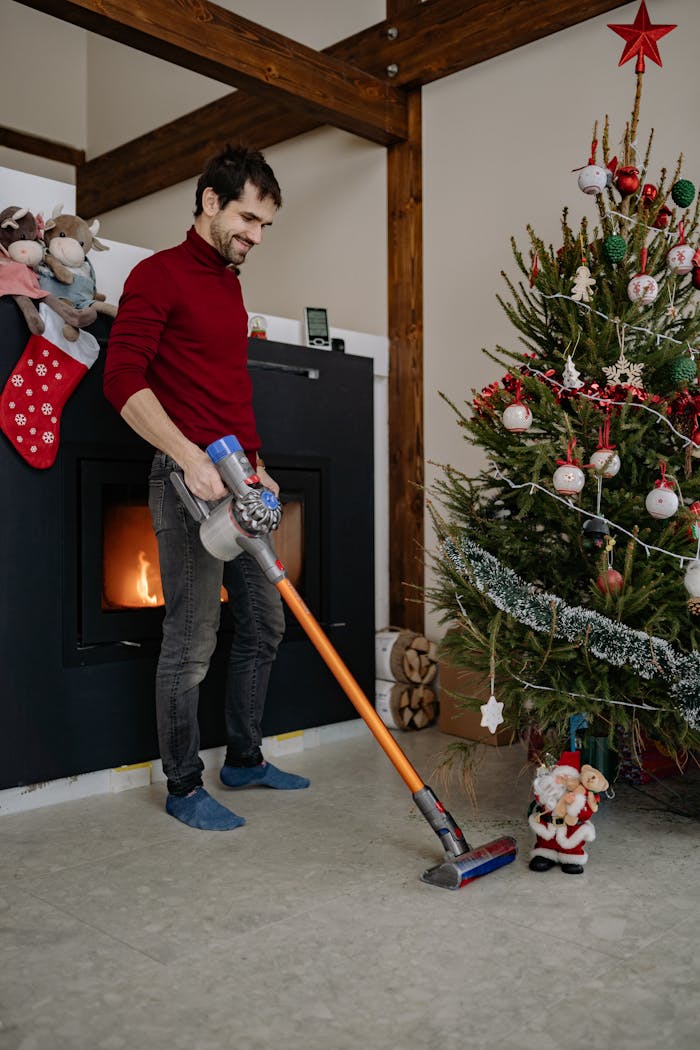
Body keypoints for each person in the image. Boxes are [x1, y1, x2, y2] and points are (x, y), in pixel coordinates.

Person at [104, 145, 309, 831]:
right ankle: (184, 785)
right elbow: (122, 381)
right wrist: (187, 455)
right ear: (210, 201)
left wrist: (256, 460)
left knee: (265, 620)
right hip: (184, 481)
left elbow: (226, 386)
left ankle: (244, 758)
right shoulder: (156, 274)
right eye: (248, 218)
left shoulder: (228, 283)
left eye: (264, 227)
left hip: (238, 475)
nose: (255, 236)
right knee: (192, 638)